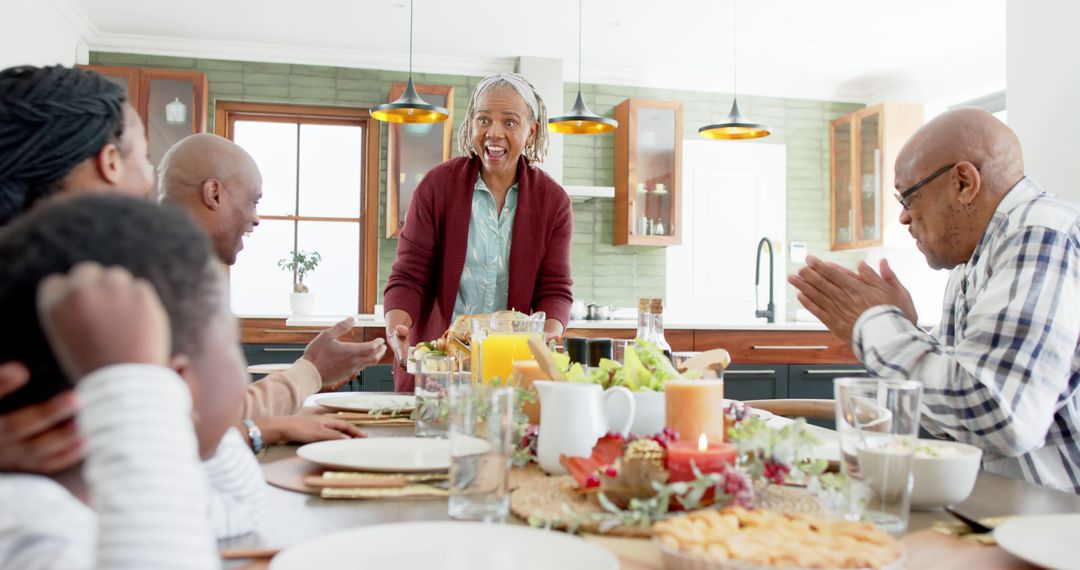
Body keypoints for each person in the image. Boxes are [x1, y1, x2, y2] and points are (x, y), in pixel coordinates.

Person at [789, 108, 1080, 493]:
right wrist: (905, 329)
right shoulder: (974, 260)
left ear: (963, 182)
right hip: (1006, 514)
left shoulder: (1040, 233)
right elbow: (955, 416)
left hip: (1057, 526)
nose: (904, 219)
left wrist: (875, 325)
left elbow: (998, 415)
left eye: (908, 197)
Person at [0, 195, 254, 568]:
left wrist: (152, 407)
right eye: (233, 343)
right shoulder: (34, 526)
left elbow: (243, 511)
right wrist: (137, 388)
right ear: (173, 384)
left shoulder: (129, 497)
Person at [159, 133, 388, 418]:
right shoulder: (164, 284)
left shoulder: (178, 271)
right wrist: (312, 369)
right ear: (214, 194)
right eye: (253, 202)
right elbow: (211, 421)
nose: (256, 218)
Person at [383, 72, 574, 390]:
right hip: (440, 370)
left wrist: (549, 335)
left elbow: (554, 290)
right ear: (470, 124)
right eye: (483, 120)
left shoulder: (553, 202)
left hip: (511, 372)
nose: (493, 133)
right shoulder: (436, 187)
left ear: (531, 131)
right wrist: (396, 329)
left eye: (510, 123)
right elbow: (409, 276)